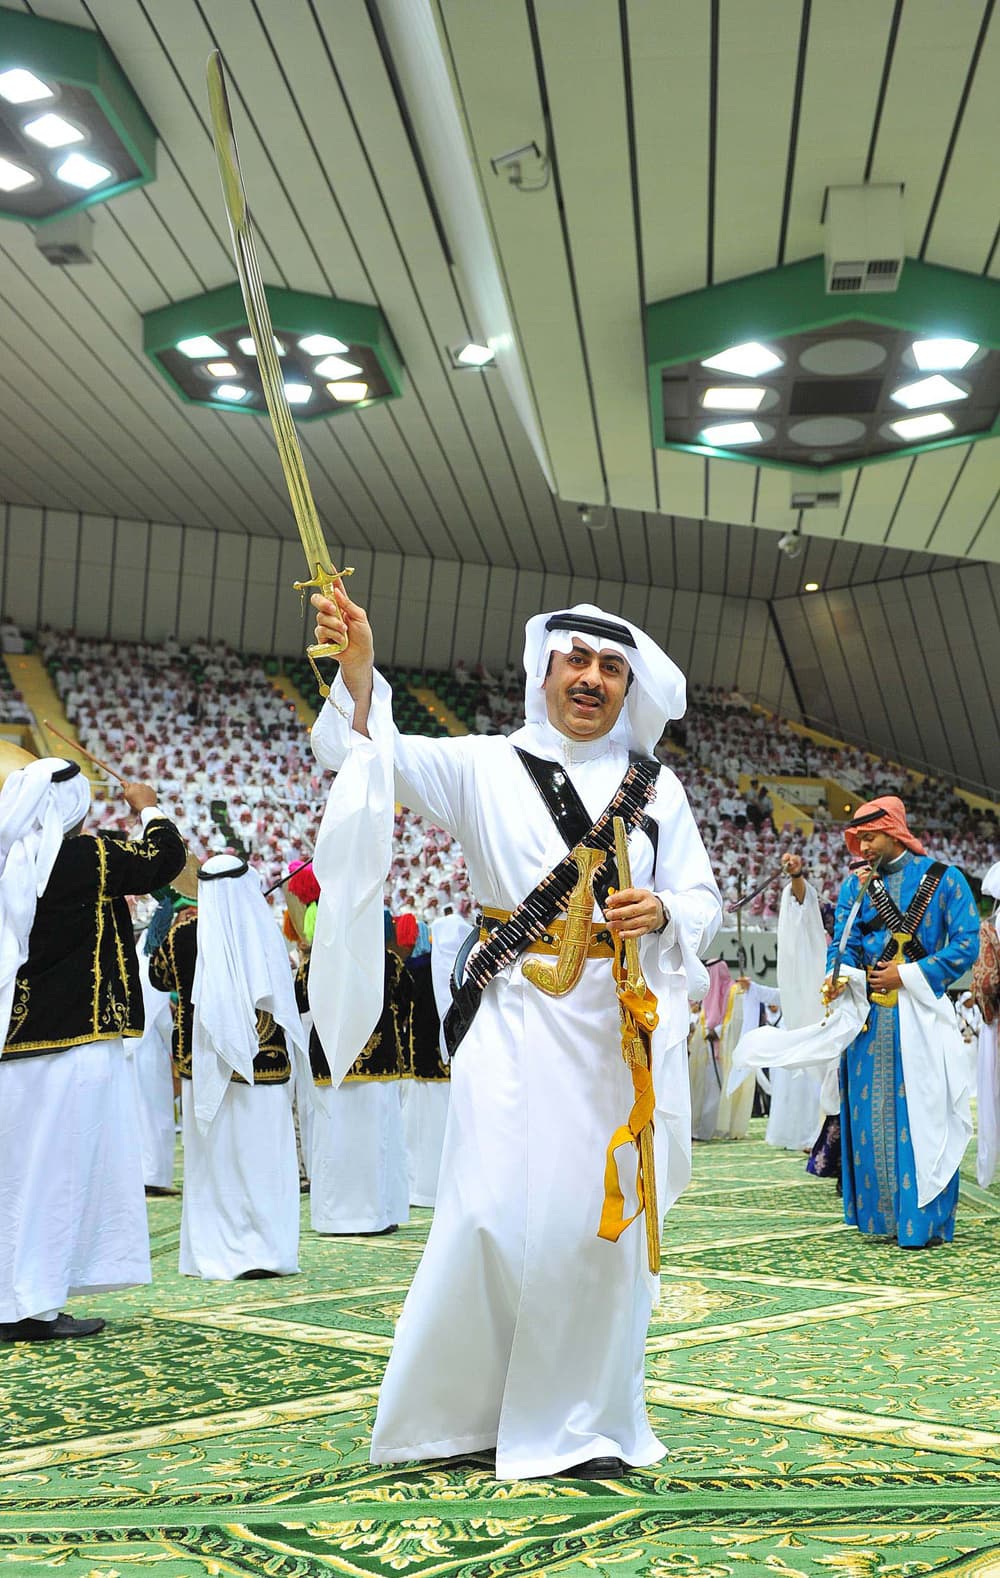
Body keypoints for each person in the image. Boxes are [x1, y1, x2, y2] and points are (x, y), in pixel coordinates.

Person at [309, 591, 721, 1481]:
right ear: (544, 673)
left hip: (616, 1032)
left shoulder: (661, 788)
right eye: (578, 661)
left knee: (592, 1231)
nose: (593, 679)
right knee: (491, 1213)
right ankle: (457, 1417)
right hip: (509, 1016)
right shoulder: (485, 765)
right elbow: (370, 755)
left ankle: (583, 1423)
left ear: (629, 688)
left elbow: (704, 900)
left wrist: (665, 911)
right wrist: (359, 669)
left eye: (612, 669)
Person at [0, 747, 185, 1341]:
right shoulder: (83, 855)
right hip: (76, 1042)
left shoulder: (14, 859)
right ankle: (35, 1304)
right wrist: (149, 807)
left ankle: (16, 1295)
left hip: (19, 1041)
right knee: (60, 1175)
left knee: (19, 1174)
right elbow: (165, 860)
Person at [823, 797, 978, 1247]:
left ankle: (922, 1224)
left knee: (926, 1118)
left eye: (869, 836)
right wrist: (838, 976)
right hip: (868, 1022)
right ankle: (881, 1220)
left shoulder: (944, 880)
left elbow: (967, 943)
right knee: (868, 1121)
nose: (862, 845)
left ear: (894, 830)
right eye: (858, 838)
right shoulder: (855, 887)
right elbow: (842, 945)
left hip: (923, 1018)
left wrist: (908, 975)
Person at [149, 851, 306, 1280]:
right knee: (263, 1160)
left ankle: (215, 1250)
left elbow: (158, 977)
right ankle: (267, 1250)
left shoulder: (181, 937)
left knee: (214, 1162)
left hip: (204, 1067)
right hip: (264, 1066)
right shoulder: (266, 934)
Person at [295, 901, 412, 1236]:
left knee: (333, 1139)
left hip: (331, 1065)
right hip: (378, 1063)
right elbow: (405, 999)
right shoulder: (387, 960)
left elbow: (300, 999)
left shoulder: (318, 961)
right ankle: (375, 1214)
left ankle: (335, 1216)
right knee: (376, 1139)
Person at [396, 913, 451, 1209]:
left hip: (421, 1065)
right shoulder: (464, 970)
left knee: (419, 1131)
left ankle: (420, 1189)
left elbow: (402, 1008)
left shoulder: (415, 969)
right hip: (451, 1068)